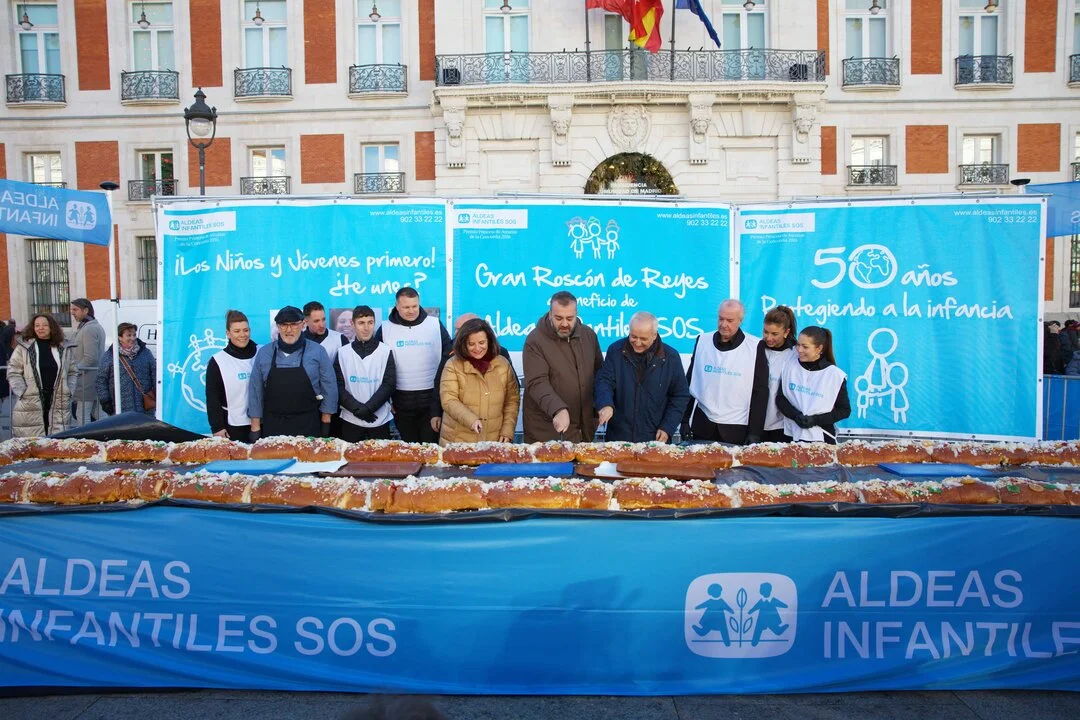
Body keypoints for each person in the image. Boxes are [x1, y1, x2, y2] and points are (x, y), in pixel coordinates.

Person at [682, 299, 770, 445]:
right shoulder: (703, 340)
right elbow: (690, 380)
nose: (724, 324)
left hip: (736, 429)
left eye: (730, 320)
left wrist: (755, 432)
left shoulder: (755, 346)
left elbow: (760, 392)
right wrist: (684, 420)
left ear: (740, 321)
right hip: (703, 425)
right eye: (721, 319)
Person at [593, 311, 690, 443]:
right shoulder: (615, 350)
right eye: (633, 336)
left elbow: (680, 396)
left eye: (643, 339)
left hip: (655, 438)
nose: (637, 343)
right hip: (619, 437)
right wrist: (605, 404)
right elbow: (604, 381)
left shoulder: (671, 358)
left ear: (654, 335)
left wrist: (668, 427)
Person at [522, 291, 602, 443]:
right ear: (550, 314)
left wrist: (603, 403)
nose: (564, 323)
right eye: (558, 318)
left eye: (569, 318)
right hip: (547, 431)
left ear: (576, 314)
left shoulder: (589, 336)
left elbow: (600, 374)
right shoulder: (535, 340)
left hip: (584, 430)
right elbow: (537, 382)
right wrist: (557, 409)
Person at [374, 287, 451, 443]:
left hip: (431, 399)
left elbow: (449, 358)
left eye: (414, 306)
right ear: (396, 306)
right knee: (409, 448)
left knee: (430, 447)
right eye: (406, 307)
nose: (411, 311)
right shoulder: (385, 328)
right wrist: (388, 400)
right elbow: (378, 367)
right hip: (401, 402)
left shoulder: (435, 324)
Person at [249, 306, 338, 439]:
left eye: (294, 325)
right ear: (278, 327)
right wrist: (255, 426)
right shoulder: (264, 353)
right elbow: (256, 390)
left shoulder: (318, 351)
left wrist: (326, 421)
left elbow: (329, 386)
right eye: (284, 325)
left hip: (308, 423)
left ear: (302, 325)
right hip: (273, 425)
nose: (289, 330)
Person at [430, 312, 517, 436]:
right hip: (459, 437)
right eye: (471, 344)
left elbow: (512, 399)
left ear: (489, 341)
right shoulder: (452, 362)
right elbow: (447, 397)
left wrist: (508, 430)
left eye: (482, 343)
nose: (477, 348)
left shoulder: (502, 361)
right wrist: (471, 420)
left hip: (494, 436)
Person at [776, 326, 851, 444]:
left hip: (823, 437)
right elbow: (781, 399)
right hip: (792, 435)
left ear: (819, 348)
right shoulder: (790, 366)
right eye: (798, 345)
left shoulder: (834, 375)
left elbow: (844, 410)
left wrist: (815, 420)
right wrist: (796, 416)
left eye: (805, 347)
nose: (799, 350)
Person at [8, 314, 77, 436]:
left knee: (56, 443)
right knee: (31, 444)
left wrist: (69, 389)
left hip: (58, 400)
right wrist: (22, 391)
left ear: (52, 327)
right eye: (37, 325)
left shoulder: (63, 348)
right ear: (33, 328)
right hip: (30, 401)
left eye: (45, 325)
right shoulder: (24, 347)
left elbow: (72, 371)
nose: (41, 328)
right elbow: (13, 371)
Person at [335, 305, 397, 441]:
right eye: (361, 323)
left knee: (380, 460)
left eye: (370, 322)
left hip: (379, 419)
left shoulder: (385, 351)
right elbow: (338, 387)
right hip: (350, 419)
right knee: (350, 460)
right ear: (353, 324)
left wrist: (368, 409)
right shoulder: (342, 353)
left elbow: (389, 384)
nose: (366, 328)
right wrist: (358, 410)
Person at [205, 310, 258, 441]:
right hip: (233, 426)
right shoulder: (218, 361)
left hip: (261, 424)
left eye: (245, 330)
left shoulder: (262, 353)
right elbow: (212, 397)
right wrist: (217, 428)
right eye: (237, 331)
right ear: (228, 334)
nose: (242, 335)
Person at [96, 322, 156, 417]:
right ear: (120, 337)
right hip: (120, 406)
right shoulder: (110, 355)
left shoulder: (146, 353)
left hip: (144, 406)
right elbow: (101, 380)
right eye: (128, 335)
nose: (132, 338)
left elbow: (155, 374)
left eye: (134, 335)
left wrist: (157, 394)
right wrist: (105, 400)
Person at [761, 306, 798, 443]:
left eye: (774, 334)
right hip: (757, 423)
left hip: (783, 426)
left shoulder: (795, 354)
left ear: (786, 332)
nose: (768, 337)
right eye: (766, 332)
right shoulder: (756, 348)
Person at [69, 298, 106, 426]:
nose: (72, 312)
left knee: (82, 415)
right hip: (90, 378)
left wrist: (74, 371)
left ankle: (84, 442)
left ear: (85, 310)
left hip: (87, 380)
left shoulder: (89, 329)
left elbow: (90, 358)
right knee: (98, 414)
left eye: (75, 309)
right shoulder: (90, 326)